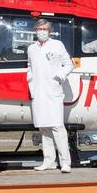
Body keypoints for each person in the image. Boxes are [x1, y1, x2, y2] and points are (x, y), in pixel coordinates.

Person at [27, 18, 75, 173]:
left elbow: (69, 64)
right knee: (44, 127)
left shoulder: (57, 45)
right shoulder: (31, 48)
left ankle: (65, 162)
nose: (42, 32)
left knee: (57, 126)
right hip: (39, 91)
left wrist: (58, 77)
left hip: (53, 90)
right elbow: (30, 66)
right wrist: (30, 82)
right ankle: (49, 161)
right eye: (40, 29)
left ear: (49, 31)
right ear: (35, 31)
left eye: (45, 29)